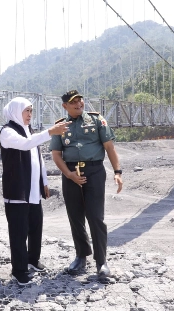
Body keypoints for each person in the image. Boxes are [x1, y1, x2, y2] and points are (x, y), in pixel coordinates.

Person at [49, 89, 123, 279]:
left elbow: (109, 147)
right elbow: (56, 154)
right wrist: (69, 174)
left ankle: (101, 261)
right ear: (65, 106)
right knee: (75, 217)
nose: (79, 104)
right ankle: (81, 256)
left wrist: (117, 172)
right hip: (70, 173)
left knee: (95, 217)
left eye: (80, 100)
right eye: (74, 102)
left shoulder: (97, 120)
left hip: (94, 171)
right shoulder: (60, 126)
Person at [0, 97, 70, 285]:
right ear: (16, 111)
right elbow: (25, 145)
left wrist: (44, 182)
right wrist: (50, 132)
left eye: (31, 111)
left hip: (32, 190)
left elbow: (38, 159)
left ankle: (33, 259)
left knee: (36, 226)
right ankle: (19, 270)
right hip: (17, 191)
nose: (30, 115)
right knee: (19, 232)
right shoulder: (7, 132)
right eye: (26, 111)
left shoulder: (29, 131)